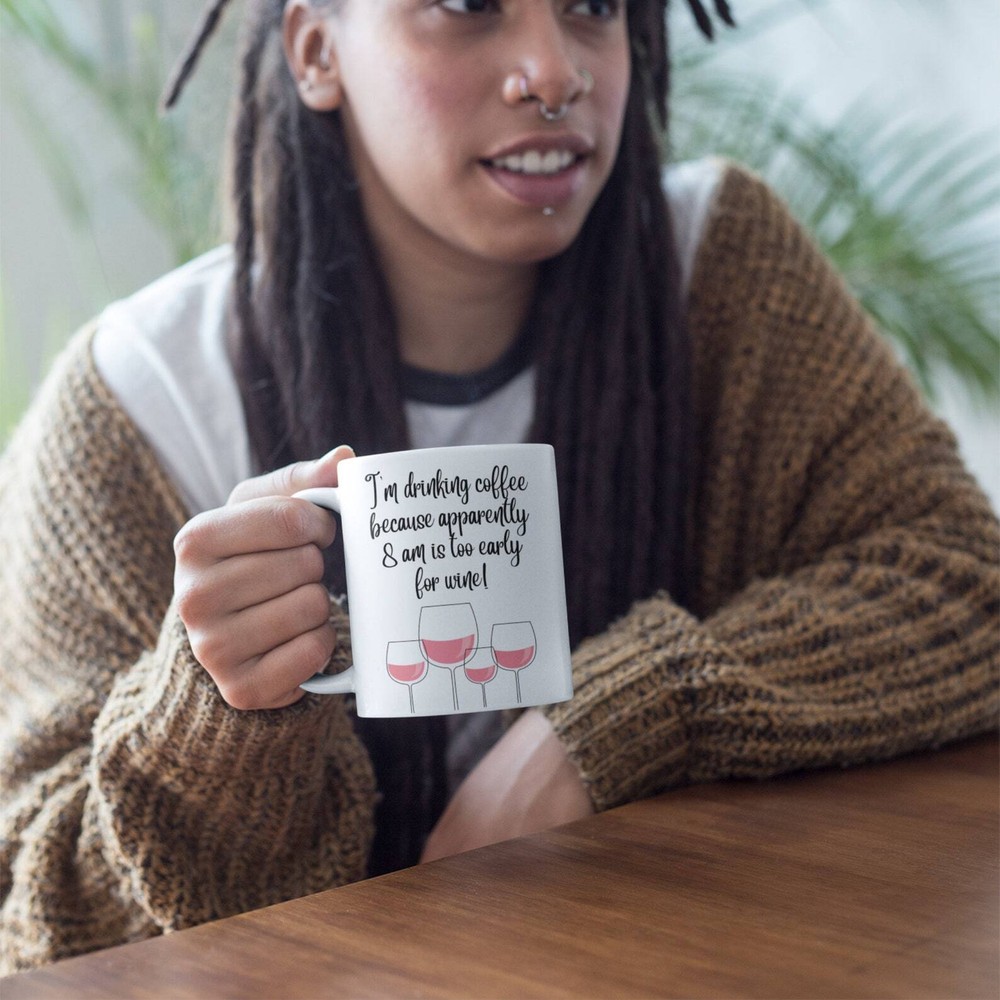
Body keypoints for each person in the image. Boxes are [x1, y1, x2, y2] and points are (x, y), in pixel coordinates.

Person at [1, 0, 996, 974]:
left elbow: (966, 580)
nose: (555, 71)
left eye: (594, 6)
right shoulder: (140, 403)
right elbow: (34, 919)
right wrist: (212, 720)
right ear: (315, 51)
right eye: (469, 5)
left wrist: (626, 717)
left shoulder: (719, 268)